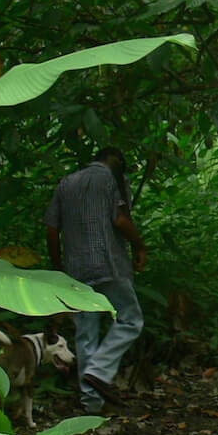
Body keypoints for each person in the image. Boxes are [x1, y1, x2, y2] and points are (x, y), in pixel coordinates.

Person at [45, 146, 147, 413]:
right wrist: (140, 247)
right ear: (116, 163)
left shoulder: (66, 183)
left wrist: (59, 267)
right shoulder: (112, 179)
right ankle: (100, 372)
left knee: (86, 334)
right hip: (109, 263)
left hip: (76, 270)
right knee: (130, 319)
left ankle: (91, 404)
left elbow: (52, 229)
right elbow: (121, 220)